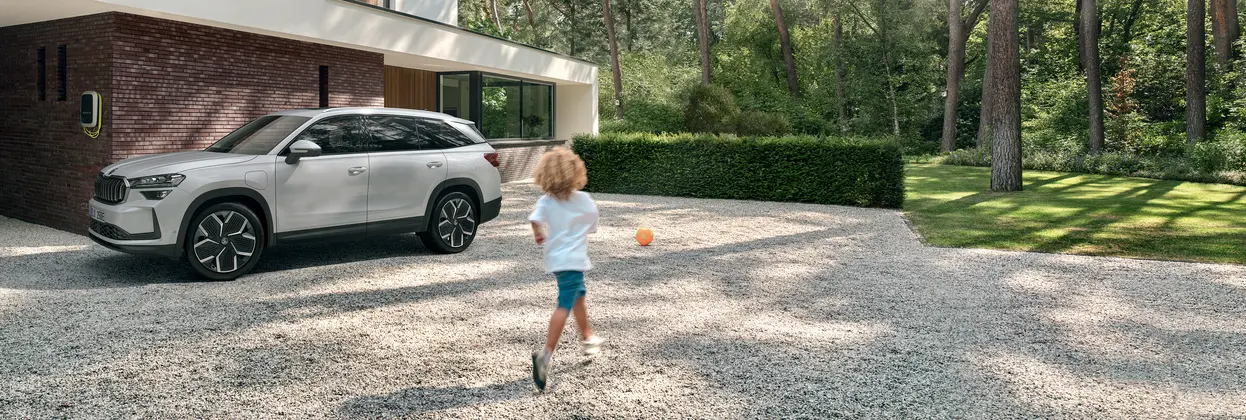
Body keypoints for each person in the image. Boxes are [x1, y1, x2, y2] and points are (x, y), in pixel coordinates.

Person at [528, 148, 604, 392]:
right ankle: (546, 354)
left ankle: (587, 336)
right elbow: (592, 225)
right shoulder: (584, 200)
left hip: (557, 260)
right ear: (575, 172)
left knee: (578, 294)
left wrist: (539, 233)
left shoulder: (546, 201)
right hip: (573, 259)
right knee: (564, 303)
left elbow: (534, 219)